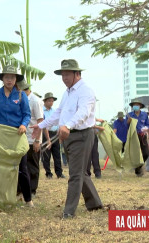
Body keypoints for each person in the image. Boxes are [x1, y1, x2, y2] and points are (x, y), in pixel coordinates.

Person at [31, 59, 103, 219]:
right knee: (80, 172)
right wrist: (42, 125)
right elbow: (59, 113)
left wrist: (68, 125)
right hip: (68, 135)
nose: (64, 78)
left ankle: (69, 212)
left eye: (67, 74)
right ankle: (95, 203)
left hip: (82, 135)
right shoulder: (67, 92)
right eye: (62, 74)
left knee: (75, 174)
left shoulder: (86, 91)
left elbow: (83, 112)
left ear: (77, 74)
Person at [0, 65, 34, 207]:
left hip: (17, 134)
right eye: (7, 77)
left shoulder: (21, 95)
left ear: (16, 79)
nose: (9, 80)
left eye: (12, 77)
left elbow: (27, 114)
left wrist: (23, 124)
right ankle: (6, 199)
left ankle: (28, 200)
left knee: (21, 168)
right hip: (1, 135)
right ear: (2, 79)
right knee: (3, 167)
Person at [17, 80, 44, 197]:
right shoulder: (21, 100)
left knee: (32, 165)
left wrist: (37, 140)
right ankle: (21, 189)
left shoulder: (35, 101)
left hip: (33, 138)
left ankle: (32, 189)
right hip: (22, 138)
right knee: (22, 166)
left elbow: (40, 121)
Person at [41, 92, 65, 179]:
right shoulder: (42, 111)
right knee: (46, 155)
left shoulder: (54, 111)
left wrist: (59, 131)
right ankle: (48, 173)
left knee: (57, 154)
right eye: (49, 101)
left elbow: (59, 121)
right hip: (45, 134)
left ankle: (59, 173)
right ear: (45, 101)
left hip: (55, 133)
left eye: (52, 101)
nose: (51, 102)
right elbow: (44, 125)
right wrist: (48, 139)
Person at [127, 99, 149, 176]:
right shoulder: (129, 115)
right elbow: (125, 126)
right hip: (133, 136)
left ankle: (138, 167)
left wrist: (145, 129)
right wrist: (128, 122)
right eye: (134, 105)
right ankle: (138, 171)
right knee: (135, 154)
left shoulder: (144, 114)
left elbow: (148, 125)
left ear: (140, 106)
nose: (135, 106)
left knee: (146, 153)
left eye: (137, 105)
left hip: (142, 136)